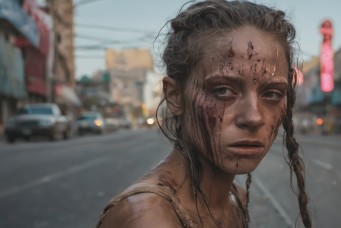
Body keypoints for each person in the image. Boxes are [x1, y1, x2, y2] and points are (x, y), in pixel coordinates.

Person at [96, 1, 312, 227]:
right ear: (175, 96)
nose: (254, 117)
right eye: (223, 90)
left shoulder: (235, 198)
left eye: (272, 94)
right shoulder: (149, 218)